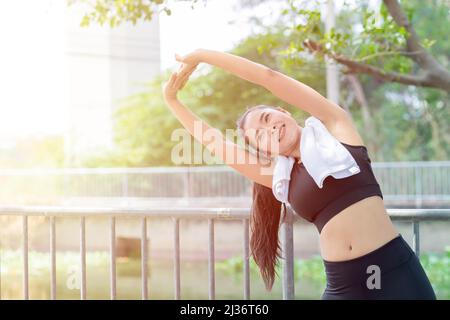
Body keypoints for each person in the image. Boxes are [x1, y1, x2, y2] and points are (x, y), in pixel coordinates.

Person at [162, 48, 436, 300]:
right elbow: (214, 143)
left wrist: (202, 55)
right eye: (260, 135)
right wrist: (172, 101)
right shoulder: (279, 176)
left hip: (395, 272)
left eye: (268, 119)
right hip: (345, 285)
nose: (270, 129)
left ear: (282, 111)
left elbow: (267, 76)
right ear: (264, 151)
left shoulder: (337, 127)